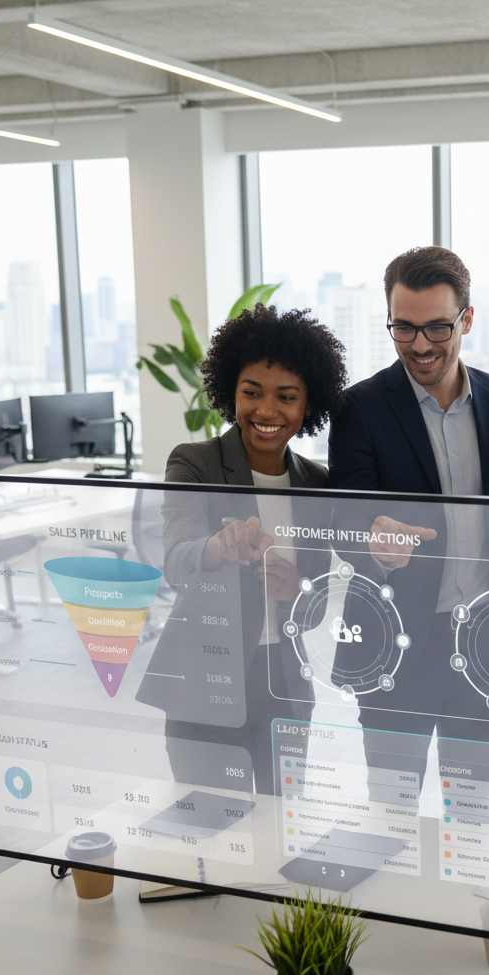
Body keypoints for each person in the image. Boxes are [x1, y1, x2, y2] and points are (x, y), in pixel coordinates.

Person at [327, 245, 489, 798]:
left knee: (474, 808)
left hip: (485, 640)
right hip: (396, 644)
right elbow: (345, 516)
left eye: (437, 328)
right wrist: (373, 542)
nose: (419, 345)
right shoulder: (359, 408)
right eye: (404, 328)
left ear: (467, 319)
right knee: (390, 809)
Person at [136, 304, 348, 795]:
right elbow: (177, 561)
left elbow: (315, 603)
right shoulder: (195, 463)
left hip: (284, 688)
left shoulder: (316, 483)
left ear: (308, 405)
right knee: (212, 825)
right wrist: (217, 546)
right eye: (251, 392)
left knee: (281, 823)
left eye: (286, 397)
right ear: (230, 393)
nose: (266, 411)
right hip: (203, 682)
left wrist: (297, 589)